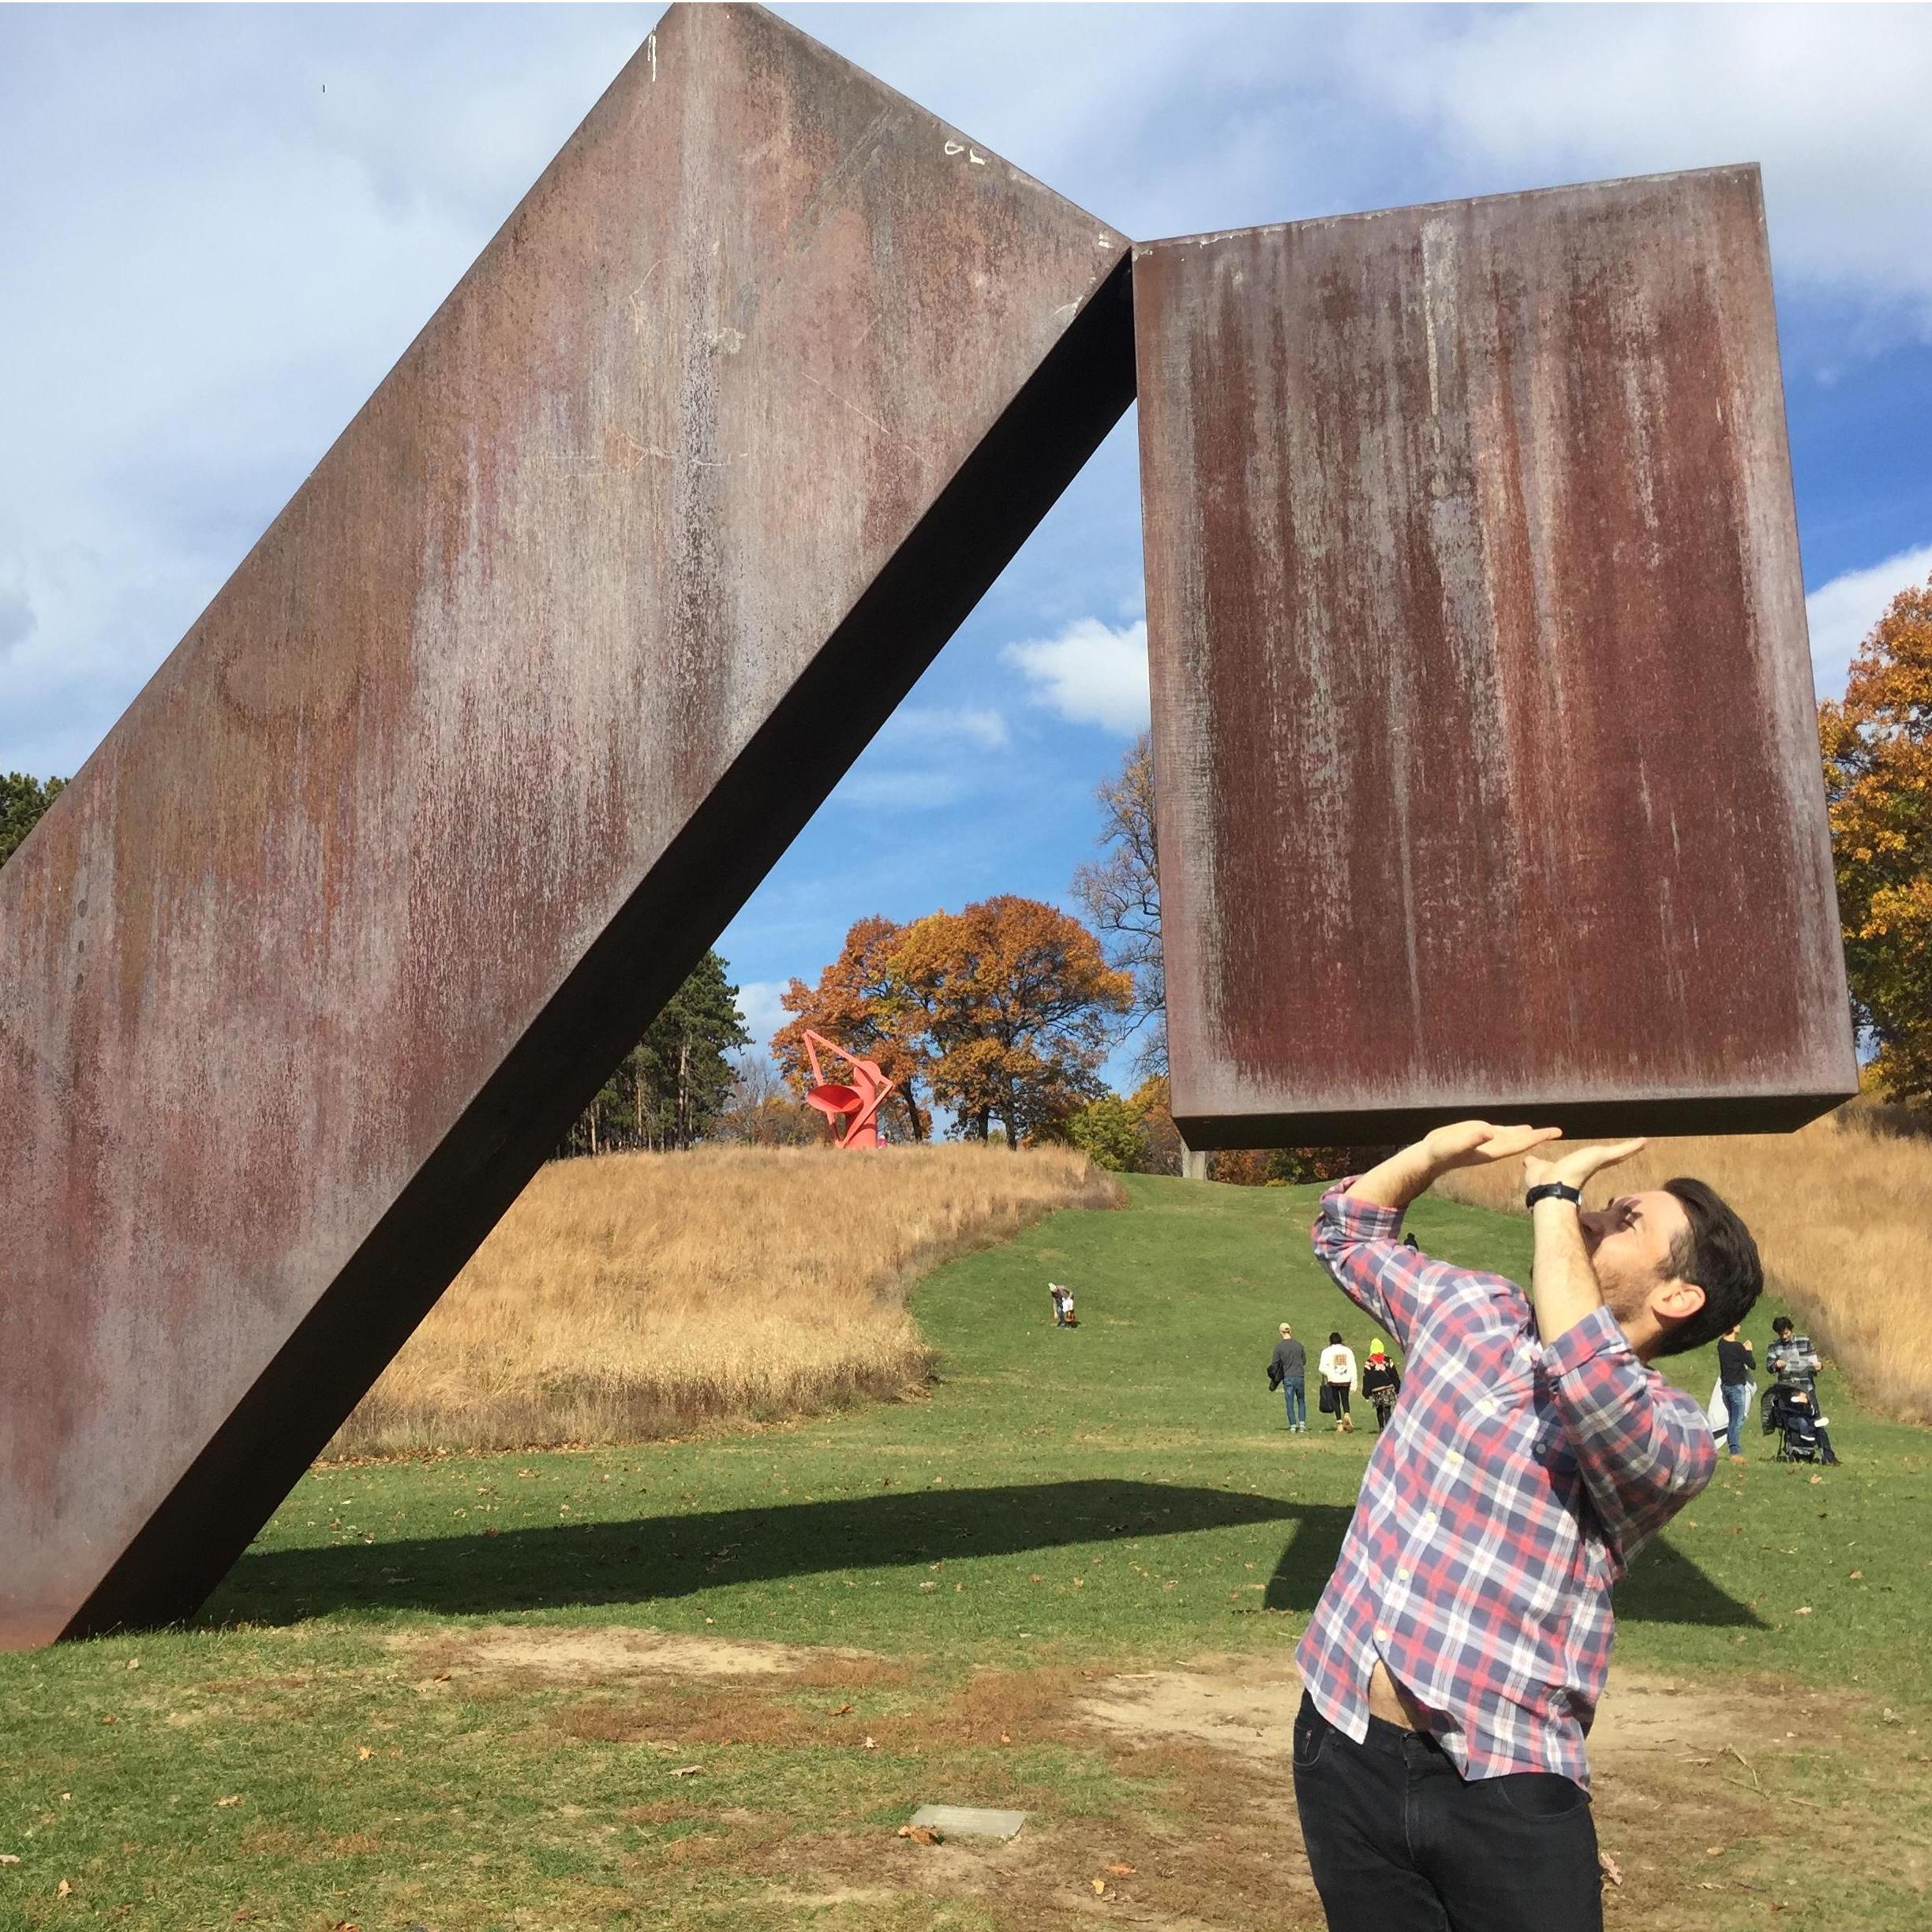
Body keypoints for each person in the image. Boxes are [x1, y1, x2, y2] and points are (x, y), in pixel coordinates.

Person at [1294, 1119, 1761, 1932]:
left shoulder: (1674, 1438)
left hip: (1507, 1787)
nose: (1589, 1216)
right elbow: (1345, 1232)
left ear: (1676, 1297)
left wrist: (1552, 1196)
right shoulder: (1474, 1312)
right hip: (1343, 1743)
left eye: (1625, 1220)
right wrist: (1435, 1153)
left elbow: (1589, 1379)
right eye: (1596, 1206)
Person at [1765, 1316, 1839, 1464]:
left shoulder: (1805, 1343)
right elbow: (1769, 1367)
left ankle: (1829, 1456)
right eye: (1781, 1334)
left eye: (1786, 1333)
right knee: (1792, 1420)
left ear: (1791, 1330)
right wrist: (1776, 1365)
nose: (1784, 1337)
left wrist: (1819, 1366)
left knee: (1816, 1421)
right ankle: (1797, 1449)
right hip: (1788, 1390)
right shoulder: (1774, 1347)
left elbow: (1814, 1362)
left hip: (1807, 1388)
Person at [1715, 1324, 1754, 1462]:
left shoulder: (1721, 1344)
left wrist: (1742, 1350)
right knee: (1737, 1420)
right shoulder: (1737, 1347)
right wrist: (1748, 1350)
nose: (1740, 1326)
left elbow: (1733, 1357)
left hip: (1726, 1387)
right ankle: (1735, 1451)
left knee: (1732, 1419)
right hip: (1736, 1387)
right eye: (1737, 1324)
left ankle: (1732, 1448)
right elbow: (1752, 1364)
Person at [1270, 1323, 1309, 1431]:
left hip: (1288, 1377)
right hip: (1299, 1376)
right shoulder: (1299, 1345)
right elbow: (1304, 1361)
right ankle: (1302, 1424)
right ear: (1290, 1331)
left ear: (1281, 1332)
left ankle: (1292, 1425)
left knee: (1289, 1402)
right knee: (1301, 1400)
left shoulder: (1279, 1347)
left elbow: (1274, 1364)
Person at [1319, 1331, 1357, 1432]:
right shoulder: (1348, 1351)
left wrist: (1329, 1373)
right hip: (1345, 1379)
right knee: (1345, 1399)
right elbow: (1353, 1367)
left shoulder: (1326, 1351)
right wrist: (1354, 1381)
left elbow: (1321, 1368)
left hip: (1333, 1380)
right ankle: (1347, 1414)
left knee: (1336, 1401)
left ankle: (1339, 1423)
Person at [1361, 1342, 1402, 1431]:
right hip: (1388, 1388)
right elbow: (1394, 1374)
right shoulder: (1388, 1360)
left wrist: (1366, 1392)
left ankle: (1381, 1427)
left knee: (1379, 1409)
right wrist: (1398, 1387)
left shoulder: (1369, 1362)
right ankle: (1389, 1428)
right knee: (1387, 1408)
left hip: (1376, 1390)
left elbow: (1366, 1378)